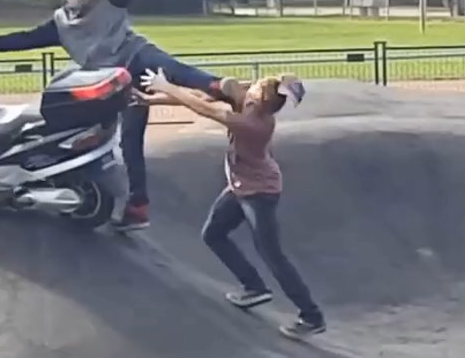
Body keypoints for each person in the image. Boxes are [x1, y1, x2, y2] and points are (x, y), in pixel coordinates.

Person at [0, 0, 223, 231]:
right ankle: (137, 208)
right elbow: (23, 39)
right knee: (129, 143)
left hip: (133, 57)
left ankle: (218, 86)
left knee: (169, 67)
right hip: (115, 86)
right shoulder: (59, 25)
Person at [137, 68, 325, 340]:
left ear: (261, 99)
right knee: (213, 234)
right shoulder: (251, 101)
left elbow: (203, 109)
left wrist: (164, 85)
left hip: (260, 193)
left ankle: (311, 316)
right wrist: (152, 100)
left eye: (257, 87)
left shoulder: (253, 125)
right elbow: (206, 97)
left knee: (272, 255)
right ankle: (254, 287)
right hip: (240, 187)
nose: (253, 86)